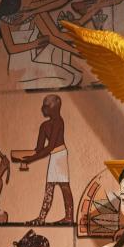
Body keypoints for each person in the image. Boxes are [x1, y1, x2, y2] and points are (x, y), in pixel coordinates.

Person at [0, 0, 82, 90]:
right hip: (18, 69)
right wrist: (36, 43)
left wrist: (76, 51)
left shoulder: (36, 14)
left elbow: (54, 37)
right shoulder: (4, 20)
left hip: (34, 62)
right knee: (68, 78)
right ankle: (15, 85)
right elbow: (12, 49)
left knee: (77, 76)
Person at [13, 95, 74, 224]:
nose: (43, 109)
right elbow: (39, 149)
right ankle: (41, 218)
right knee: (50, 187)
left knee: (63, 186)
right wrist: (23, 156)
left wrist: (30, 159)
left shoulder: (58, 122)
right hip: (54, 156)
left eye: (46, 106)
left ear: (54, 108)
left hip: (60, 156)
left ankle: (68, 217)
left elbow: (50, 147)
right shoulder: (44, 126)